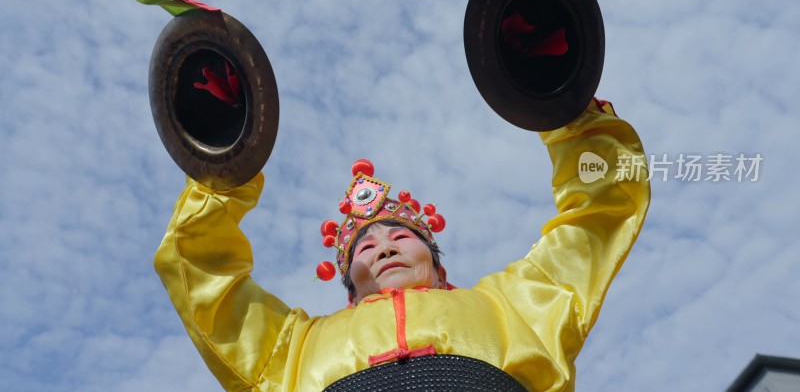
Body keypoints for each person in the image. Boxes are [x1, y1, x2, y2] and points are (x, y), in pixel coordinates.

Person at [154, 98, 650, 391]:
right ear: (349, 288)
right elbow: (198, 269)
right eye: (364, 249)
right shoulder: (288, 349)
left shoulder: (517, 304)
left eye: (399, 236)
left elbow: (599, 213)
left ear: (437, 264)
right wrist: (224, 168)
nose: (384, 247)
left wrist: (564, 107)